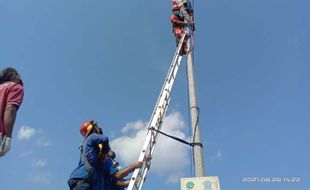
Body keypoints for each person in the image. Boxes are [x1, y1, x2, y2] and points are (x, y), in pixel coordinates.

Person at [68, 120, 111, 190]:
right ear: (92, 128)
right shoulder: (92, 137)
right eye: (96, 125)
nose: (99, 127)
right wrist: (104, 153)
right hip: (83, 179)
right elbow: (105, 139)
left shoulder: (88, 146)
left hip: (81, 180)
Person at [0, 67, 24, 157]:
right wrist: (8, 139)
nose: (20, 78)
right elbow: (10, 109)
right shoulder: (15, 87)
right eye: (19, 75)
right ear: (13, 76)